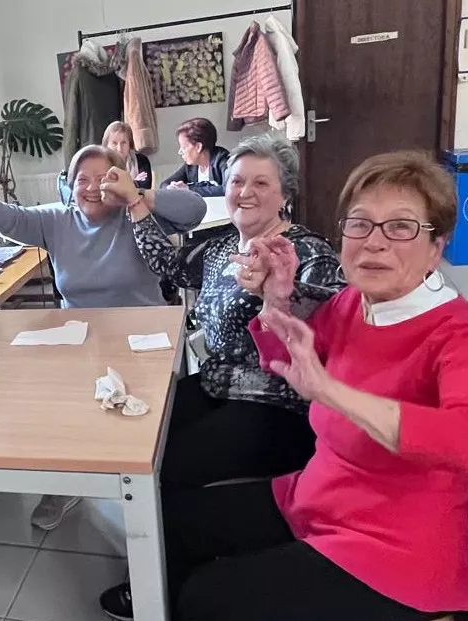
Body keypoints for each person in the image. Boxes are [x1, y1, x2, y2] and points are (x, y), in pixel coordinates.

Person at [141, 151, 468, 620]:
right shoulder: (352, 304)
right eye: (360, 224)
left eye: (400, 227)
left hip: (399, 547)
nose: (374, 243)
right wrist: (274, 301)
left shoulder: (465, 334)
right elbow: (290, 367)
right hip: (322, 495)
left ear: (437, 247)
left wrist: (333, 391)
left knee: (209, 596)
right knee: (175, 525)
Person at [98, 134, 344, 620]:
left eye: (261, 182)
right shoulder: (219, 248)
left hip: (276, 406)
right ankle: (169, 552)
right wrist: (135, 205)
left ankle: (163, 581)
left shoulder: (306, 251)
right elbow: (167, 265)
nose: (245, 191)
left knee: (165, 468)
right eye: (236, 180)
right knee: (138, 443)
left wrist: (281, 291)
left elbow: (334, 311)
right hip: (215, 384)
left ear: (285, 193)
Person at [0, 148, 207, 531]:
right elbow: (5, 217)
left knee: (142, 429)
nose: (91, 187)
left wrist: (136, 194)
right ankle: (66, 485)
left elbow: (195, 210)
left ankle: (152, 487)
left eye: (102, 178)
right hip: (82, 339)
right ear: (69, 185)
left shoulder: (136, 215)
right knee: (66, 415)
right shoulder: (57, 221)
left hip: (142, 336)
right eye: (81, 179)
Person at [160, 118, 230, 197]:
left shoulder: (223, 160)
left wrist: (189, 190)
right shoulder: (191, 165)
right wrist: (171, 188)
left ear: (198, 147)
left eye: (184, 147)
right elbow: (164, 184)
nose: (180, 152)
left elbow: (228, 189)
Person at [103, 121, 153, 190]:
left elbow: (145, 186)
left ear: (130, 144)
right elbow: (104, 188)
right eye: (114, 143)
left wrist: (118, 185)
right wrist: (134, 182)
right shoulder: (101, 162)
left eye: (123, 143)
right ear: (106, 145)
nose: (119, 148)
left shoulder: (141, 160)